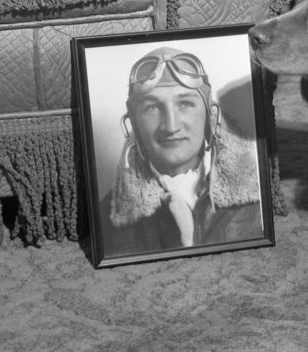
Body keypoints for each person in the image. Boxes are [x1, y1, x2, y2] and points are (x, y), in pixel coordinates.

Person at [101, 46, 264, 257]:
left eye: (185, 104)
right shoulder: (109, 214)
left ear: (211, 115)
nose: (171, 126)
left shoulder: (257, 194)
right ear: (132, 123)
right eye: (152, 107)